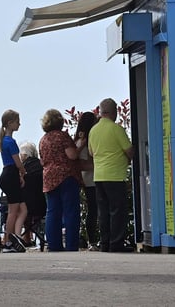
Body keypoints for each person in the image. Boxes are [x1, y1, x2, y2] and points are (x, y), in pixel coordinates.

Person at [88, 98, 134, 253]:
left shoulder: (93, 131)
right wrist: (128, 159)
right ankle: (116, 244)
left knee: (103, 212)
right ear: (114, 112)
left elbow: (91, 153)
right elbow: (129, 150)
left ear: (101, 112)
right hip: (114, 176)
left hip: (99, 176)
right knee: (117, 211)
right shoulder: (116, 129)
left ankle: (105, 243)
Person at [38, 109, 82, 251]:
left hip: (49, 178)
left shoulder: (43, 140)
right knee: (70, 211)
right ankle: (71, 245)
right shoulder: (62, 137)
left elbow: (42, 160)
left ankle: (54, 245)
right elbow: (72, 155)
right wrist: (80, 145)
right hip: (66, 176)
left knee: (52, 212)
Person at [0, 109, 27, 253]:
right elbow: (18, 162)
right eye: (17, 121)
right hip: (10, 174)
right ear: (10, 123)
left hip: (8, 174)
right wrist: (24, 173)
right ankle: (7, 241)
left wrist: (19, 175)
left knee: (22, 209)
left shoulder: (4, 141)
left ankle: (15, 236)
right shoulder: (10, 141)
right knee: (13, 211)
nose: (19, 124)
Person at [75, 111, 99, 251]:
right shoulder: (86, 141)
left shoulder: (79, 141)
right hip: (91, 178)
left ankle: (91, 239)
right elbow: (83, 163)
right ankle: (93, 240)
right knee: (94, 210)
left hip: (85, 178)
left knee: (92, 210)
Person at [19, 142, 46, 247]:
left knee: (21, 207)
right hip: (42, 205)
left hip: (25, 207)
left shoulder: (22, 168)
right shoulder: (42, 166)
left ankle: (24, 237)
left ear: (25, 155)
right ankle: (31, 237)